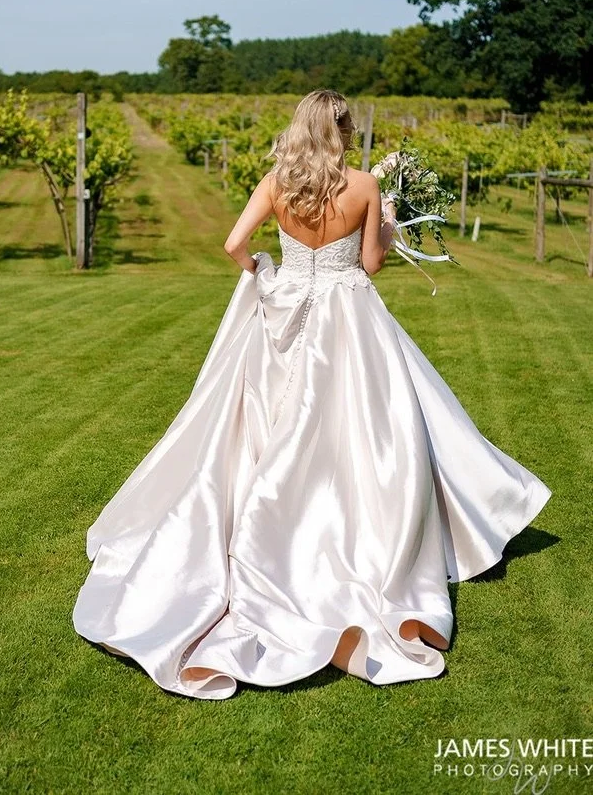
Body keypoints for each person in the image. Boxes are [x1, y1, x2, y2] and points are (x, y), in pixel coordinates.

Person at [72, 90, 551, 699]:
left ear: (299, 129)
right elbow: (371, 265)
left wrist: (266, 271)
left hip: (287, 310)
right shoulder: (365, 187)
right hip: (349, 317)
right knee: (368, 424)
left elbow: (233, 245)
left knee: (268, 420)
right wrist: (388, 219)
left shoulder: (276, 183)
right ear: (344, 132)